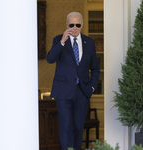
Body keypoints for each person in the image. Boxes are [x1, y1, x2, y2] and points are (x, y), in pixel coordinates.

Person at [47, 12, 100, 150]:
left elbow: (95, 68)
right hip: (63, 91)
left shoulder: (90, 42)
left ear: (82, 24)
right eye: (71, 25)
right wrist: (62, 41)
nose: (75, 28)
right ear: (66, 25)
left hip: (82, 91)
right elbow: (50, 58)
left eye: (77, 25)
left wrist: (92, 87)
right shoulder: (58, 40)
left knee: (78, 126)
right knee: (65, 126)